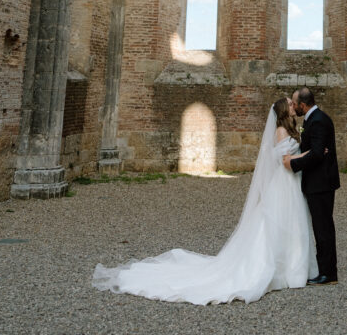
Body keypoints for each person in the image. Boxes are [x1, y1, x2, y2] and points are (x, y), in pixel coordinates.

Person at [92, 97, 317, 304]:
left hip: (290, 184)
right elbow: (285, 161)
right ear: (282, 111)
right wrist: (310, 155)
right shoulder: (279, 131)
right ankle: (274, 269)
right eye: (289, 103)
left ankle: (291, 268)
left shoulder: (290, 129)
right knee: (275, 224)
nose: (292, 105)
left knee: (291, 223)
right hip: (283, 182)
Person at [284, 86, 340, 285]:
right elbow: (316, 150)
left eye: (295, 103)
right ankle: (324, 268)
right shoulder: (313, 119)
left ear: (303, 104)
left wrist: (292, 163)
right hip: (318, 182)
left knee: (323, 228)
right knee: (320, 227)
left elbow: (317, 154)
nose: (294, 107)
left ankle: (328, 274)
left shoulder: (318, 121)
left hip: (321, 183)